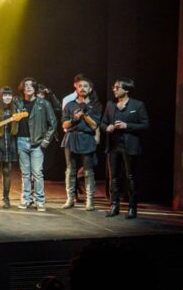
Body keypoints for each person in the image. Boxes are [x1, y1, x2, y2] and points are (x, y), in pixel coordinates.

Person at [101, 78, 149, 218]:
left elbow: (145, 125)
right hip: (113, 146)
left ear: (126, 90)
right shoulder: (110, 105)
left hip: (129, 146)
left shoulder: (138, 105)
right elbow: (103, 123)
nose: (114, 89)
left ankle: (132, 208)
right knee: (114, 177)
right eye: (113, 87)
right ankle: (114, 206)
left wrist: (127, 126)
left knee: (130, 177)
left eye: (117, 87)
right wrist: (107, 127)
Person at [14, 77, 57, 211]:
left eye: (31, 85)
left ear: (35, 88)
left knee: (37, 173)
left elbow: (53, 123)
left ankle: (40, 201)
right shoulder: (18, 104)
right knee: (25, 173)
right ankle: (26, 200)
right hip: (21, 140)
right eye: (25, 85)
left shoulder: (43, 103)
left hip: (37, 142)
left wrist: (46, 140)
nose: (28, 87)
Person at [61, 75, 101, 211]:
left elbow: (95, 125)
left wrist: (84, 115)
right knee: (70, 170)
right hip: (71, 137)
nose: (82, 88)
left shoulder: (95, 106)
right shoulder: (69, 105)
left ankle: (90, 200)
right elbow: (64, 124)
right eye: (80, 86)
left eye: (85, 86)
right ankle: (70, 198)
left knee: (88, 171)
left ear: (90, 89)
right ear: (76, 88)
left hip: (87, 138)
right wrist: (73, 119)